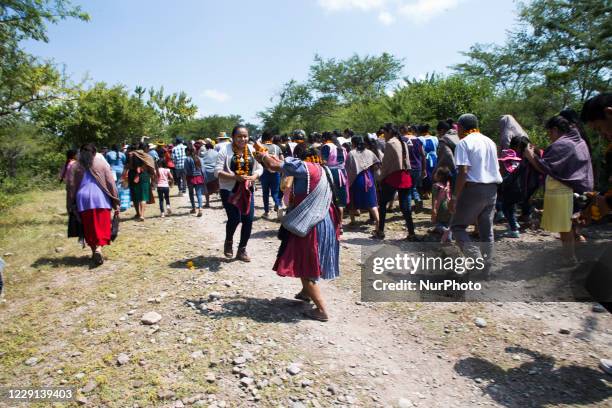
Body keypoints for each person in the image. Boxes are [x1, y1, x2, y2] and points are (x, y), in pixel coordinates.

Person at [254, 142, 340, 322]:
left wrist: (261, 155)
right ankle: (305, 293)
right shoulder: (322, 169)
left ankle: (321, 310)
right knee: (312, 258)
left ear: (300, 157)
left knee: (304, 264)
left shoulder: (304, 167)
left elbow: (273, 165)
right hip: (324, 221)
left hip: (309, 224)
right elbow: (279, 163)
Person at [523, 115, 593, 260]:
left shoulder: (563, 144)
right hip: (579, 190)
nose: (550, 138)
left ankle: (569, 259)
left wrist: (530, 156)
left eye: (549, 134)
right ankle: (579, 256)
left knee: (564, 228)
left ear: (555, 130)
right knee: (573, 227)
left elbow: (545, 168)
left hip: (566, 192)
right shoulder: (579, 141)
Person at [448, 114, 502, 260]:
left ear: (460, 127)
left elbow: (463, 172)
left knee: (458, 227)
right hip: (492, 189)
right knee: (486, 231)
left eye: (457, 128)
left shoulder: (464, 143)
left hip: (473, 189)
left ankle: (475, 258)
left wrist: (454, 197)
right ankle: (487, 265)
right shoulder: (490, 141)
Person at [214, 125, 263, 262]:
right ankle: (228, 241)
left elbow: (259, 168)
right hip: (229, 189)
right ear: (233, 137)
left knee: (248, 220)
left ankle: (242, 249)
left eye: (245, 136)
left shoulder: (252, 150)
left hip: (247, 189)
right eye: (239, 136)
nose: (243, 139)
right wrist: (234, 177)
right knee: (235, 218)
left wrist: (254, 176)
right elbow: (217, 171)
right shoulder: (225, 150)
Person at [67, 143, 119, 265]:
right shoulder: (102, 164)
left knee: (88, 226)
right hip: (100, 198)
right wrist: (115, 199)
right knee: (102, 226)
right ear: (95, 153)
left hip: (82, 199)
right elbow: (111, 182)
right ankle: (99, 249)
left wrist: (70, 203)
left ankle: (93, 251)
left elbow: (70, 186)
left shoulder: (75, 166)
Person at [373, 123, 416, 240]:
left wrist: (381, 177)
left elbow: (386, 164)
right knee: (405, 207)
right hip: (405, 176)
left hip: (394, 176)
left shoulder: (390, 143)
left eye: (384, 133)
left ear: (389, 132)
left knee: (382, 204)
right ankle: (412, 233)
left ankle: (380, 231)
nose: (383, 135)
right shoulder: (402, 142)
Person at [346, 135, 381, 231]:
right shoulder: (369, 152)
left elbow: (348, 170)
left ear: (353, 143)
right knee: (372, 202)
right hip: (369, 178)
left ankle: (353, 221)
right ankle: (378, 223)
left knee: (352, 201)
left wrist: (348, 182)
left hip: (357, 179)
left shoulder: (351, 154)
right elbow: (377, 164)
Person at [321, 131, 349, 233]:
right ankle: (340, 225)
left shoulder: (326, 147)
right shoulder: (342, 148)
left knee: (329, 199)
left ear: (325, 138)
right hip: (342, 173)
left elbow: (323, 162)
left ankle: (331, 223)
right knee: (340, 201)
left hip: (331, 173)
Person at [400, 124, 426, 212]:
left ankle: (408, 208)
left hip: (407, 167)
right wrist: (424, 169)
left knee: (407, 188)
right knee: (413, 186)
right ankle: (417, 198)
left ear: (402, 131)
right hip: (418, 166)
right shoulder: (418, 140)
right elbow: (423, 155)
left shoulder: (402, 140)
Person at [127, 142, 156, 222]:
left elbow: (128, 166)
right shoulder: (147, 156)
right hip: (144, 175)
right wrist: (153, 177)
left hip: (132, 175)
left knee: (135, 195)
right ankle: (142, 215)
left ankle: (138, 213)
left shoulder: (131, 154)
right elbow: (151, 167)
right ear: (145, 148)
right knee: (143, 196)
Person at [498, 149, 523, 238]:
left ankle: (514, 230)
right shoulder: (517, 165)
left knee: (506, 209)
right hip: (520, 191)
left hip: (510, 192)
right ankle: (515, 223)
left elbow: (505, 180)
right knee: (512, 209)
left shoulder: (507, 167)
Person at [260, 131, 284, 218]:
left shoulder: (260, 147)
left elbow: (257, 160)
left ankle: (266, 212)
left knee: (265, 192)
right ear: (271, 138)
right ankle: (279, 206)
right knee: (275, 192)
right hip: (276, 172)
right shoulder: (277, 147)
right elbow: (282, 160)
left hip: (264, 172)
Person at [431, 166, 453, 243]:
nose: (434, 174)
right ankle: (448, 239)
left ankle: (444, 231)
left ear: (439, 176)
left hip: (441, 207)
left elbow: (434, 199)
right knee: (448, 223)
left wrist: (433, 210)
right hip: (449, 205)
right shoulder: (448, 184)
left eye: (436, 173)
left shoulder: (436, 186)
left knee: (438, 224)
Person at [185, 145, 206, 217]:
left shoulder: (187, 159)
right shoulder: (198, 158)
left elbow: (186, 170)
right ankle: (200, 208)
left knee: (191, 193)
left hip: (190, 178)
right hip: (199, 177)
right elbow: (202, 169)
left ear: (188, 151)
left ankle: (194, 208)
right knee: (199, 194)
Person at [418, 124, 438, 197]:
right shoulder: (435, 138)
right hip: (434, 158)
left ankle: (425, 192)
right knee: (433, 175)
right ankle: (432, 191)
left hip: (425, 159)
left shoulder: (420, 138)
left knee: (425, 176)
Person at [200, 141, 219, 208]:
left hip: (206, 173)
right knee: (219, 187)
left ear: (206, 147)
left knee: (206, 188)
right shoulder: (216, 153)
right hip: (215, 172)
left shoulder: (203, 153)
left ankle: (207, 203)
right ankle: (223, 203)